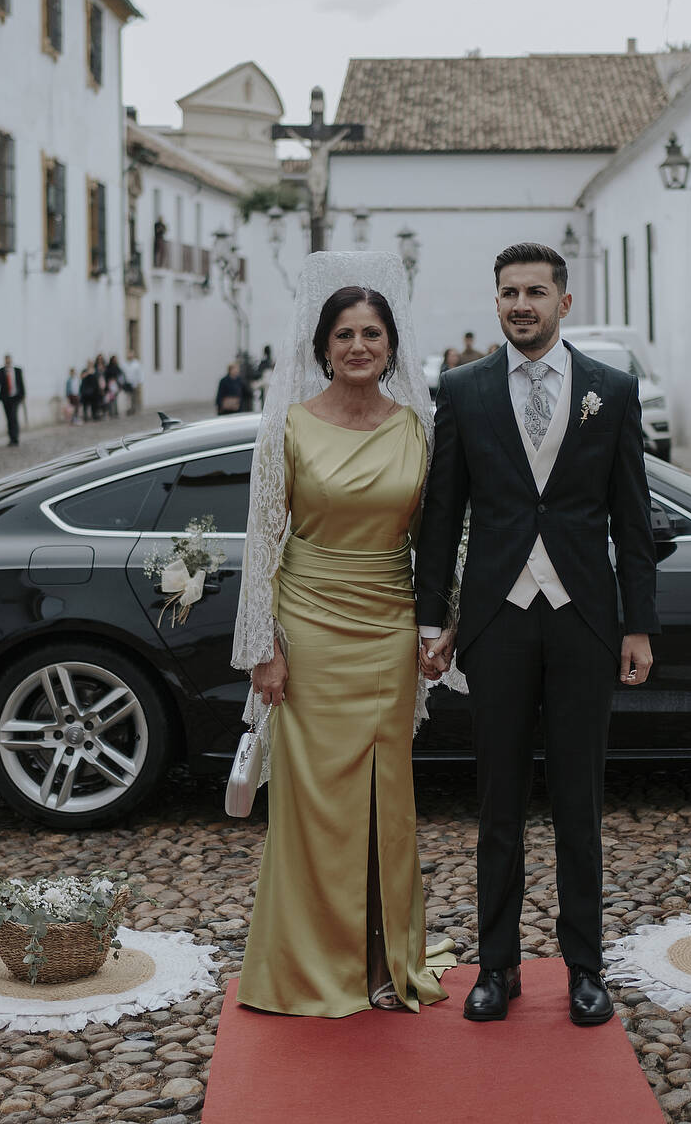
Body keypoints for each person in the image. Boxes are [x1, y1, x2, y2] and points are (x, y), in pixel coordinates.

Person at [415, 241, 659, 1027]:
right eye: (509, 292)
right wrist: (434, 619)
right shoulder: (463, 388)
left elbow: (631, 519)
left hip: (586, 619)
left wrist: (638, 626)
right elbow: (442, 514)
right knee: (498, 804)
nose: (521, 304)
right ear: (495, 303)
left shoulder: (612, 391)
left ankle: (585, 968)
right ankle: (497, 966)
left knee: (580, 801)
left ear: (564, 302)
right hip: (497, 621)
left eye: (536, 292)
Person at [232, 252, 450, 1017]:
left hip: (389, 630)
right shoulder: (288, 426)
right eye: (346, 334)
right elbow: (262, 540)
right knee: (312, 804)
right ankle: (308, 963)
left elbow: (438, 540)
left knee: (386, 803)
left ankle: (385, 961)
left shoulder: (420, 430)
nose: (359, 346)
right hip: (310, 630)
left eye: (374, 333)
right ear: (322, 346)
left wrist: (438, 625)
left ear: (393, 346)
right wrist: (263, 647)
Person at [0, 354, 26, 446]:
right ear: (4, 361)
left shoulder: (17, 370)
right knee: (8, 418)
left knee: (13, 416)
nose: (8, 361)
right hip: (5, 399)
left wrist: (23, 395)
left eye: (9, 359)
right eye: (6, 360)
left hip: (16, 398)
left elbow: (21, 383)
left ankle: (15, 438)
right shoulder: (0, 371)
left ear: (11, 360)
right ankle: (11, 439)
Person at [121, 351, 144, 416]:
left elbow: (140, 373)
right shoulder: (125, 364)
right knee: (127, 397)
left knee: (134, 396)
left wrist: (140, 382)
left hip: (134, 383)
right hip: (127, 383)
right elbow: (123, 374)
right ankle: (128, 409)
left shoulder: (136, 364)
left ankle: (133, 408)